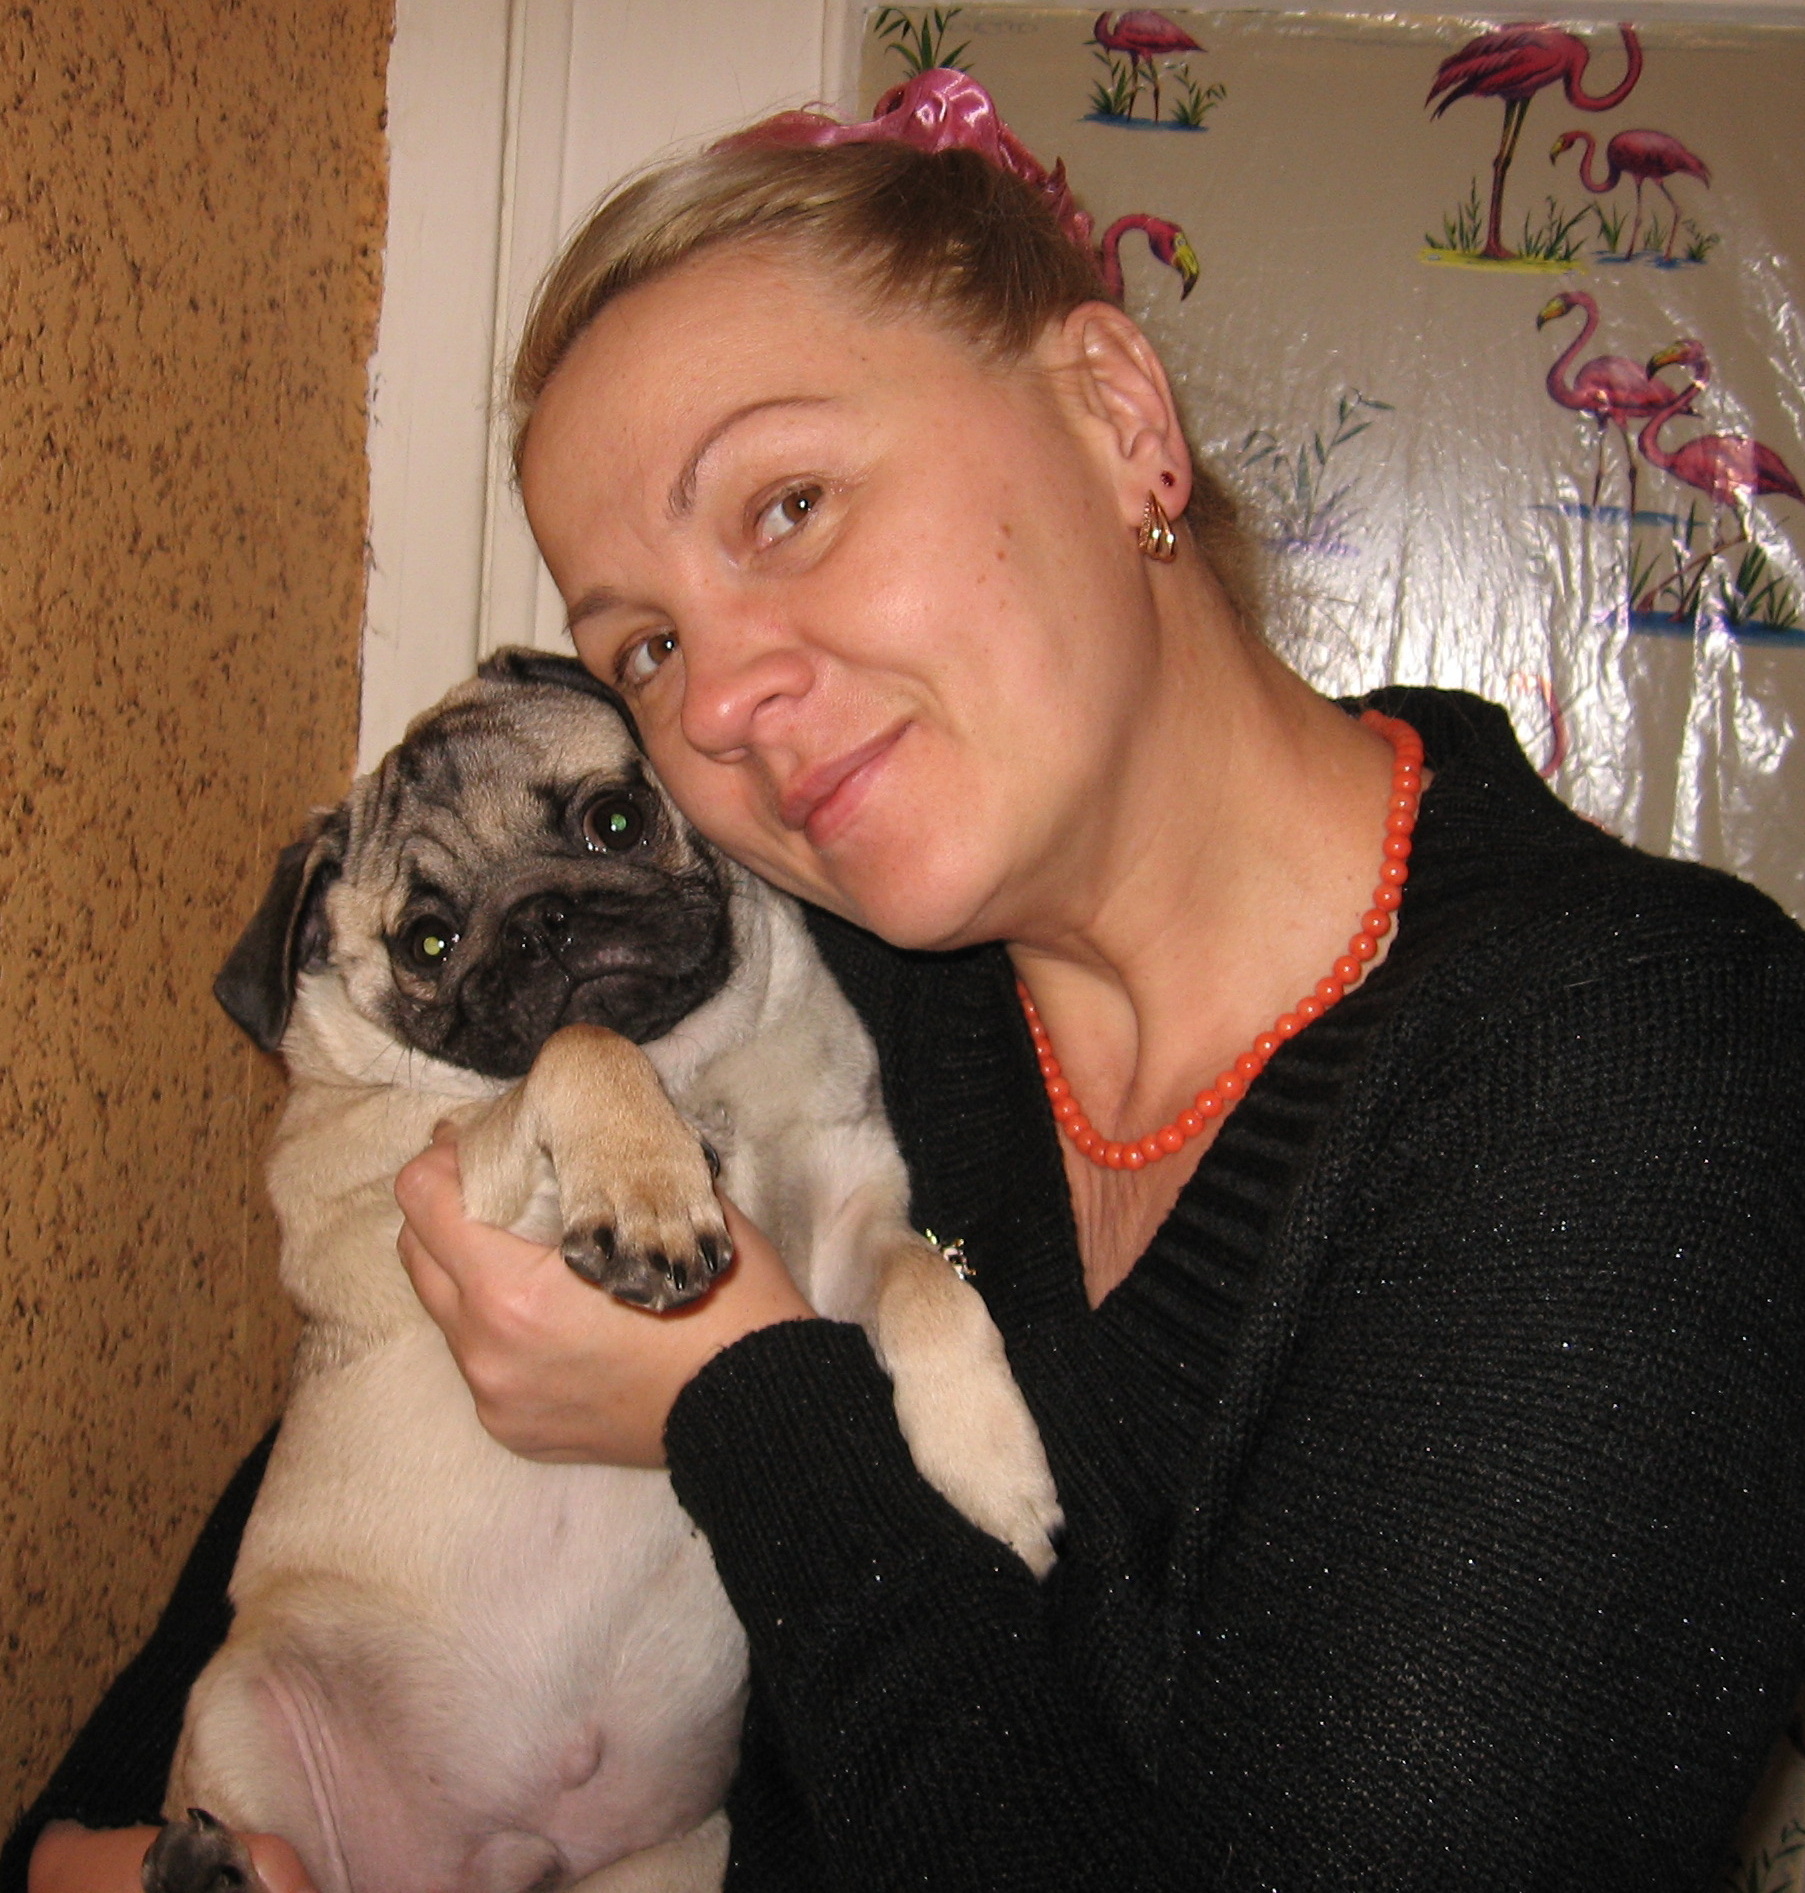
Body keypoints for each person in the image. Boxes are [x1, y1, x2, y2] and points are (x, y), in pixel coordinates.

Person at [13, 70, 1805, 1893]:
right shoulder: (830, 981)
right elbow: (353, 1489)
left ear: (1115, 417)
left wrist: (740, 1400)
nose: (717, 700)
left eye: (787, 505)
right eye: (643, 648)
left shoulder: (1647, 1065)